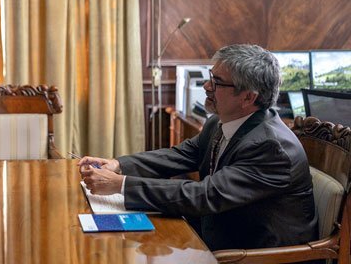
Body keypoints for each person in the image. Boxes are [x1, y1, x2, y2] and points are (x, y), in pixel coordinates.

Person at [79, 44, 318, 251]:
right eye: (209, 76)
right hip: (217, 232)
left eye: (217, 82)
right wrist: (118, 165)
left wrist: (119, 185)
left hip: (254, 253)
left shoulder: (270, 147)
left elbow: (206, 195)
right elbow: (180, 155)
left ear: (248, 98)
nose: (206, 86)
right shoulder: (220, 122)